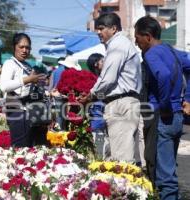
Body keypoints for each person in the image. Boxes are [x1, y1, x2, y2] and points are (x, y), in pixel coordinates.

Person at [134, 16, 190, 200]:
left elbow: (164, 76)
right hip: (177, 116)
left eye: (137, 38)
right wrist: (186, 98)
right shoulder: (170, 50)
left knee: (163, 176)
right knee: (169, 169)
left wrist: (165, 105)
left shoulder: (152, 54)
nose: (136, 42)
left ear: (147, 36)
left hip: (163, 116)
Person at [80, 13, 142, 163]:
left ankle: (124, 187)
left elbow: (108, 78)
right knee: (116, 154)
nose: (98, 33)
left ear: (113, 28)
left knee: (121, 159)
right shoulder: (119, 44)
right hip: (121, 101)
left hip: (121, 103)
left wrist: (90, 95)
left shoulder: (118, 45)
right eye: (97, 29)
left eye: (101, 28)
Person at [0, 33, 48, 147]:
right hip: (17, 112)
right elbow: (4, 86)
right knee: (20, 148)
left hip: (30, 112)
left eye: (27, 48)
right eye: (21, 47)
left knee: (31, 147)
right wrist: (27, 79)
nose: (24, 50)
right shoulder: (9, 64)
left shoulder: (27, 66)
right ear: (14, 47)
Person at [86, 53, 110, 159]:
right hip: (97, 121)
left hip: (106, 118)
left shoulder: (105, 77)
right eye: (102, 61)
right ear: (96, 64)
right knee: (100, 152)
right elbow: (96, 96)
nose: (105, 62)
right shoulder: (92, 80)